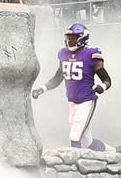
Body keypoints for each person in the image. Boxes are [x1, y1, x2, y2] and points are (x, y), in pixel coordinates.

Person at [32, 22, 114, 150]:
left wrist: (101, 87)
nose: (70, 41)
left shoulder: (91, 55)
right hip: (72, 102)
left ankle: (75, 166)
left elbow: (107, 79)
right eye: (69, 38)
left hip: (87, 101)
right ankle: (114, 151)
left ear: (82, 38)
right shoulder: (63, 54)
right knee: (87, 142)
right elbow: (57, 78)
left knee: (74, 136)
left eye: (73, 38)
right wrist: (42, 89)